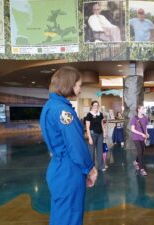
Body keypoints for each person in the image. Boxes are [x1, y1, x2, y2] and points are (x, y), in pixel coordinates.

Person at [40, 66, 97, 225]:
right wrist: (90, 168)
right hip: (69, 171)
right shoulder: (64, 112)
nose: (80, 89)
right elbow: (76, 147)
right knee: (70, 218)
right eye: (79, 85)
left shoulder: (49, 106)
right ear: (69, 85)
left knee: (61, 216)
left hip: (58, 168)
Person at [86, 100, 107, 172]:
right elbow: (87, 127)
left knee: (100, 151)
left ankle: (101, 166)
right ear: (92, 106)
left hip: (100, 134)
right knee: (91, 152)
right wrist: (89, 138)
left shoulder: (100, 114)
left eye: (97, 105)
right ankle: (92, 167)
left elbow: (102, 124)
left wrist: (104, 133)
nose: (96, 107)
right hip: (92, 134)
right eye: (95, 105)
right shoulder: (89, 115)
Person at [130, 105, 149, 176]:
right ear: (138, 110)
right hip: (136, 137)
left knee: (142, 151)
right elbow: (132, 129)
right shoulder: (134, 119)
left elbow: (145, 127)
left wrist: (147, 134)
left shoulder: (145, 118)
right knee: (140, 151)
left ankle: (136, 161)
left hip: (143, 137)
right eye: (142, 108)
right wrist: (141, 134)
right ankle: (142, 169)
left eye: (144, 108)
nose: (144, 110)